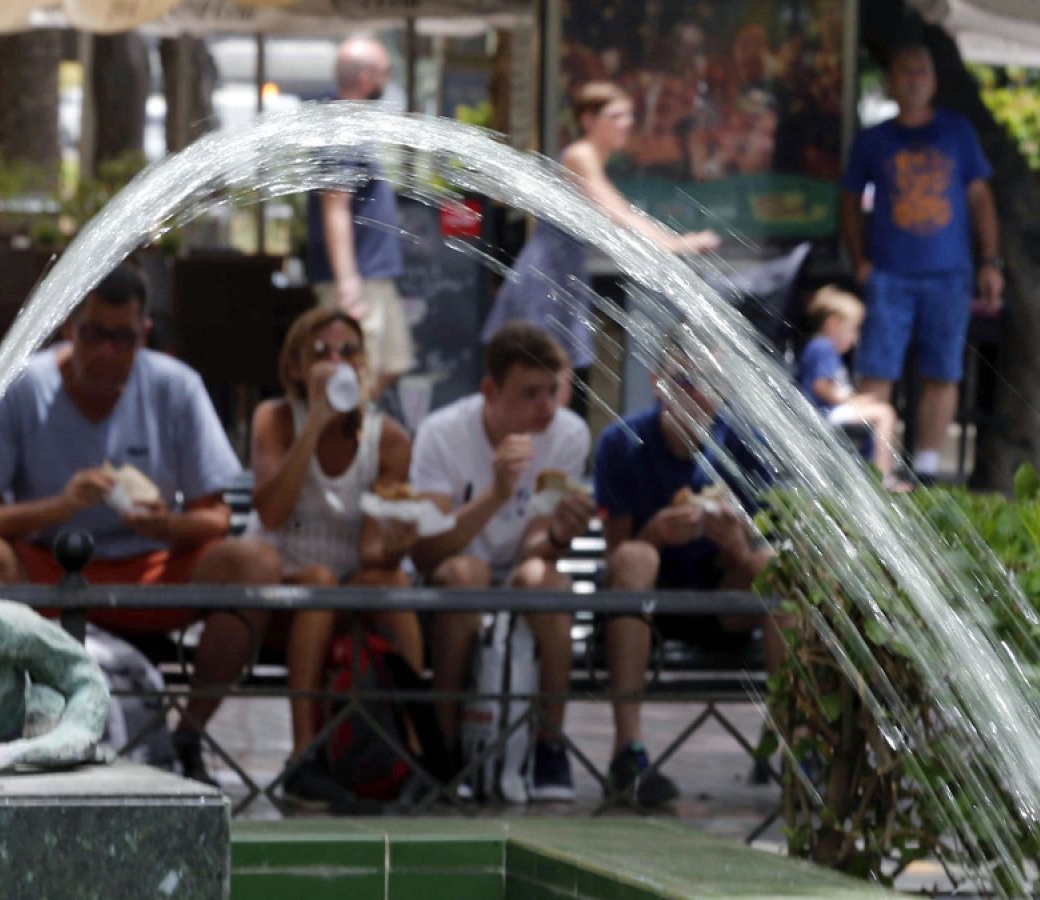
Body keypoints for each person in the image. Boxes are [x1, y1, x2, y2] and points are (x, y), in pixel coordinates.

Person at [0, 264, 282, 784]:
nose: (108, 353)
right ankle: (2, 726)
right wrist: (57, 507)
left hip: (149, 569)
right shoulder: (22, 386)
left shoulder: (177, 387)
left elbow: (219, 515)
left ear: (144, 334)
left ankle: (187, 734)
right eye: (95, 335)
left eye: (123, 339)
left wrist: (166, 527)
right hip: (50, 568)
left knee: (255, 562)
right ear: (69, 331)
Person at [245, 307, 423, 808]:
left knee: (394, 587)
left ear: (364, 365)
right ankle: (304, 755)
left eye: (348, 351)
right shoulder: (275, 419)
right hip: (281, 586)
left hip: (345, 587)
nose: (337, 361)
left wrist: (402, 538)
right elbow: (273, 512)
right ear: (296, 366)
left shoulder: (388, 439)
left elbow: (372, 552)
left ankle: (412, 750)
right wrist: (317, 422)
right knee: (319, 582)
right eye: (321, 352)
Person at [409, 322, 594, 802]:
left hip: (518, 577)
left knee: (545, 581)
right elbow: (427, 549)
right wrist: (495, 494)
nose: (547, 408)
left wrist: (558, 533)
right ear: (490, 391)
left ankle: (549, 744)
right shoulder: (442, 433)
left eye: (553, 391)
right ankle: (446, 750)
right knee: (465, 575)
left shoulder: (568, 435)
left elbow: (537, 547)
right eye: (531, 394)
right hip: (453, 576)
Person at [593, 361, 779, 810]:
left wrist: (738, 548)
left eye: (710, 383)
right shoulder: (623, 443)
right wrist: (653, 536)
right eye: (685, 382)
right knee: (637, 557)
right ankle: (628, 751)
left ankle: (801, 744)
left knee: (773, 565)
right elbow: (616, 557)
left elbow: (768, 569)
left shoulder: (744, 448)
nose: (697, 395)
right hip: (644, 617)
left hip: (724, 607)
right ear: (658, 382)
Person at [481, 82, 720, 415]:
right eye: (617, 115)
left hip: (560, 278)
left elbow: (621, 213)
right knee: (546, 391)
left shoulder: (589, 158)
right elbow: (615, 214)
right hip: (545, 282)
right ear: (589, 120)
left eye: (630, 116)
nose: (627, 123)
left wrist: (672, 246)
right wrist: (678, 244)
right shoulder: (581, 155)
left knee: (552, 392)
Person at [839, 43, 1003, 485]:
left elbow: (980, 198)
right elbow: (850, 202)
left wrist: (991, 261)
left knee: (943, 370)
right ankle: (874, 468)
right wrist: (860, 262)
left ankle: (927, 467)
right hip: (888, 275)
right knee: (877, 369)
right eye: (905, 70)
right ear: (891, 81)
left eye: (922, 70)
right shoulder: (874, 140)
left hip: (950, 275)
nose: (913, 78)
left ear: (933, 81)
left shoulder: (957, 132)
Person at [307, 35, 414, 401]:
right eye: (386, 72)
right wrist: (347, 283)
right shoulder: (341, 128)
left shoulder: (349, 123)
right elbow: (334, 204)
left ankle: (359, 428)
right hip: (357, 280)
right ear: (367, 77)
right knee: (353, 374)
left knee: (391, 363)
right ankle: (349, 439)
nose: (388, 80)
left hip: (372, 276)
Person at [798, 286, 905, 487]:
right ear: (832, 325)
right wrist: (851, 400)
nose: (855, 338)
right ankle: (882, 475)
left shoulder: (822, 348)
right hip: (823, 413)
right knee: (884, 414)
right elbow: (820, 386)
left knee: (878, 413)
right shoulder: (823, 348)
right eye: (852, 329)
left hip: (829, 411)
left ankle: (871, 467)